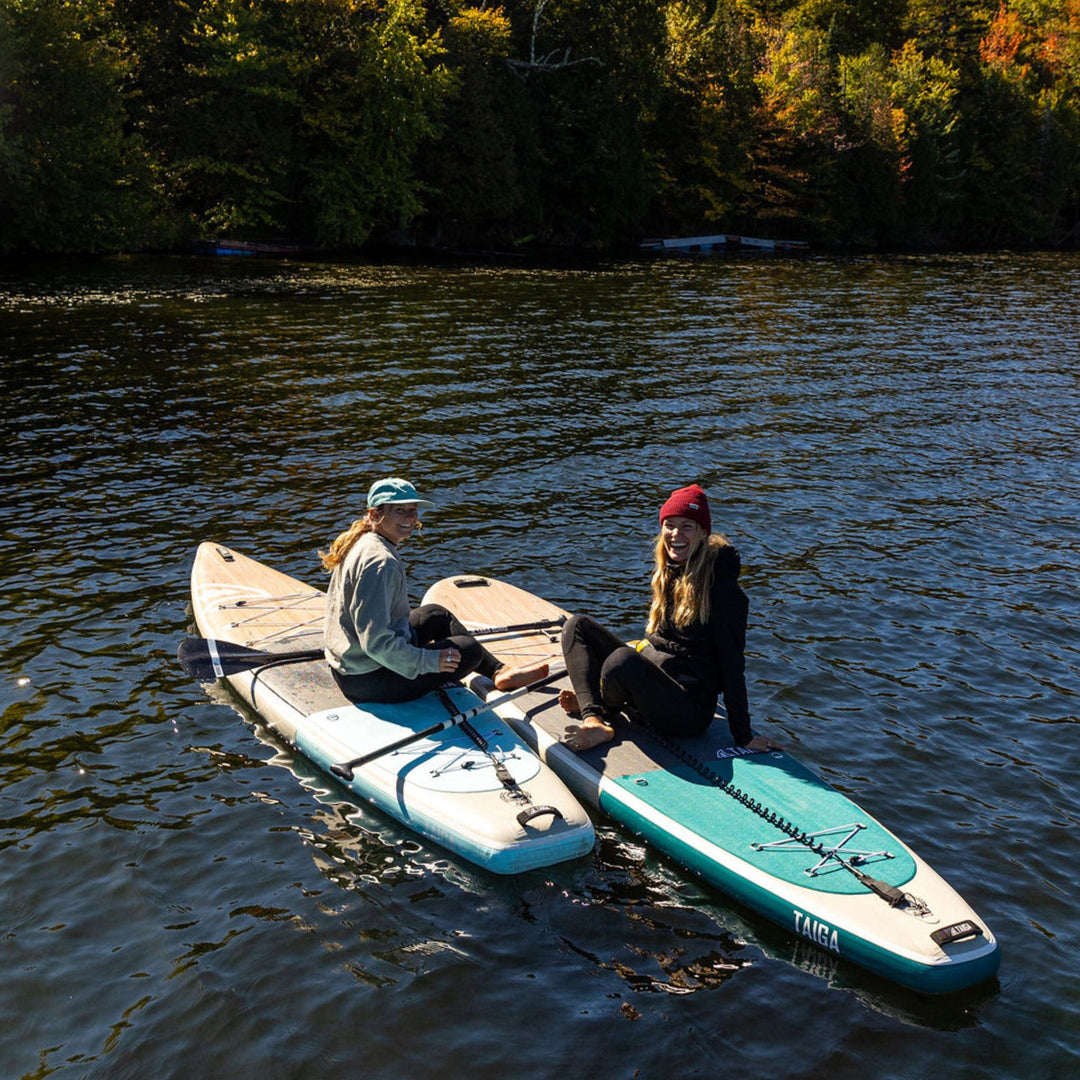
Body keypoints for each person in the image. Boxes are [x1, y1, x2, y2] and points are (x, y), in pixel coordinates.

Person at [559, 483, 781, 754]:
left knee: (621, 662)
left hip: (688, 710)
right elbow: (662, 643)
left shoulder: (722, 590)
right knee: (577, 626)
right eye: (670, 525)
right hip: (659, 679)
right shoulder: (671, 570)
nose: (676, 534)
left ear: (702, 533)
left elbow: (733, 664)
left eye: (687, 526)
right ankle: (593, 717)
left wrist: (743, 735)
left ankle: (598, 701)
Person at [321, 477, 547, 704]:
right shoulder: (381, 562)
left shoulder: (366, 541)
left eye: (413, 510)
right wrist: (428, 660)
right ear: (374, 515)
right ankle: (488, 670)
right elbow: (375, 643)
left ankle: (500, 672)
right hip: (368, 679)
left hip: (353, 665)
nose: (411, 518)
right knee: (469, 652)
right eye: (400, 511)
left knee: (435, 615)